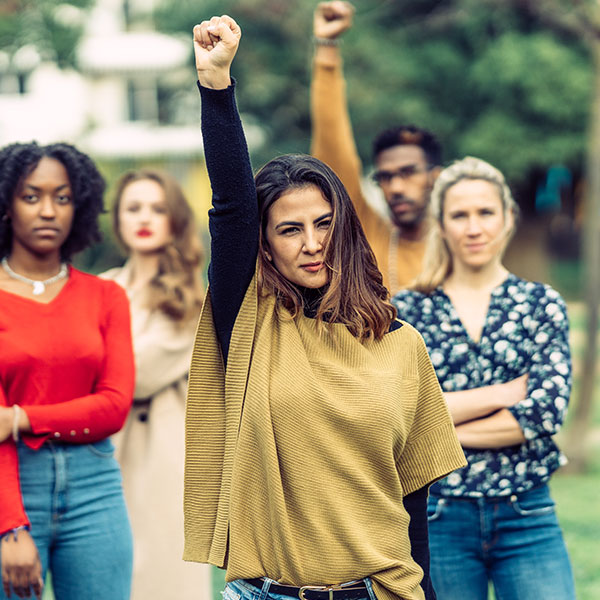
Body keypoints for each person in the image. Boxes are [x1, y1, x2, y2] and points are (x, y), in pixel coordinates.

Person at [184, 15, 466, 600]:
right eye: (289, 230)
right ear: (265, 244)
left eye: (323, 224)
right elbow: (232, 208)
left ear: (344, 229)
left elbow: (412, 509)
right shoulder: (251, 323)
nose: (311, 243)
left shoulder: (399, 342)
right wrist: (217, 87)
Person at [392, 157, 576, 600]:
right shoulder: (409, 312)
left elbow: (544, 414)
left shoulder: (540, 304)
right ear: (441, 224)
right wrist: (503, 394)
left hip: (526, 511)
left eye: (485, 213)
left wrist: (439, 422)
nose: (473, 228)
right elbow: (401, 416)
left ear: (508, 218)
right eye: (460, 215)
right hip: (437, 517)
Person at [0, 142, 134, 600]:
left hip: (95, 484)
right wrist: (11, 527)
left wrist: (21, 418)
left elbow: (114, 406)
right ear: (6, 203)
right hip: (13, 483)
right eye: (31, 196)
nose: (48, 211)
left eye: (62, 197)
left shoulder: (106, 297)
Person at [101, 168, 210, 600]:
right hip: (101, 452)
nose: (144, 217)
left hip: (163, 461)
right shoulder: (101, 286)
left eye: (157, 208)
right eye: (133, 208)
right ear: (119, 220)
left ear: (174, 220)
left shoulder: (188, 298)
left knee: (163, 581)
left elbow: (139, 375)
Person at [311, 1, 442, 293]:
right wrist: (327, 46)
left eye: (408, 173)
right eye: (385, 177)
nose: (395, 187)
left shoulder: (460, 246)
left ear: (435, 176)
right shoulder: (368, 235)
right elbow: (332, 144)